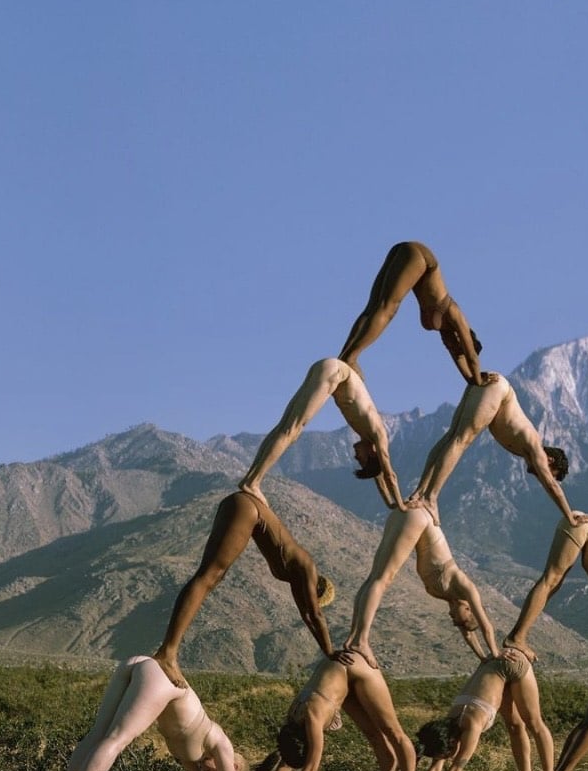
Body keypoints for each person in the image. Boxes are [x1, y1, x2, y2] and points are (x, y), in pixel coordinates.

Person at [153, 491, 335, 688]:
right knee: (209, 575)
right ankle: (167, 654)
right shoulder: (307, 566)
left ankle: (168, 652)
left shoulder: (295, 578)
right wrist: (332, 653)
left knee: (213, 576)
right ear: (317, 588)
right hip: (247, 509)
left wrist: (327, 653)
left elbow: (307, 616)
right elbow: (315, 614)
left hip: (240, 505)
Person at [57, 656, 259, 771]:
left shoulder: (192, 755)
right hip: (164, 680)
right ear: (234, 766)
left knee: (98, 736)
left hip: (141, 666)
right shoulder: (221, 743)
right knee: (116, 740)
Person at [242, 650, 418, 771]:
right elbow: (288, 757)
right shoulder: (293, 724)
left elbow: (311, 766)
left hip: (354, 667)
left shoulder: (312, 716)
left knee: (394, 733)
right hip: (339, 676)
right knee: (374, 737)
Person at [407, 373, 588, 526]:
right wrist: (569, 517)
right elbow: (552, 487)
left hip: (494, 388)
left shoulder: (525, 449)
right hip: (499, 390)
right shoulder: (537, 450)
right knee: (460, 440)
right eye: (551, 472)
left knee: (451, 437)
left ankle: (419, 493)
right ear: (550, 460)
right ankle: (430, 498)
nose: (542, 476)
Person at [340, 504, 499, 670]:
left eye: (456, 623)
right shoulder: (466, 587)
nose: (454, 620)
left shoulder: (448, 596)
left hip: (406, 516)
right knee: (382, 580)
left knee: (373, 579)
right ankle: (362, 640)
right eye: (462, 620)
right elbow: (486, 626)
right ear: (469, 609)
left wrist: (482, 658)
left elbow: (467, 633)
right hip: (418, 519)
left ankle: (353, 637)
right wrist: (495, 654)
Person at [238, 357, 404, 509]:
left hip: (326, 368)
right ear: (372, 454)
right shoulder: (380, 435)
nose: (356, 457)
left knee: (286, 428)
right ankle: (253, 482)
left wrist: (389, 504)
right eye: (361, 460)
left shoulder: (368, 435)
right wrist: (401, 505)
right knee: (292, 430)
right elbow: (389, 474)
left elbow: (379, 477)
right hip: (335, 373)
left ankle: (250, 479)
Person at [416, 647, 557, 771]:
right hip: (495, 669)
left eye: (447, 754)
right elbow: (435, 768)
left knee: (534, 723)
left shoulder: (471, 726)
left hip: (512, 663)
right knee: (514, 726)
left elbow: (455, 770)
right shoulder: (443, 731)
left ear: (452, 742)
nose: (447, 757)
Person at [337, 241, 483, 385]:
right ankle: (350, 357)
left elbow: (460, 359)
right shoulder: (455, 314)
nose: (453, 347)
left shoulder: (447, 332)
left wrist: (472, 380)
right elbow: (471, 357)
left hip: (404, 252)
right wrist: (480, 381)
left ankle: (344, 356)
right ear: (466, 339)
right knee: (388, 308)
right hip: (421, 256)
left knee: (373, 308)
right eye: (460, 346)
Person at [505, 517, 588, 661]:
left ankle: (517, 635)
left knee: (552, 584)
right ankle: (517, 637)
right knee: (550, 581)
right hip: (584, 528)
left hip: (579, 530)